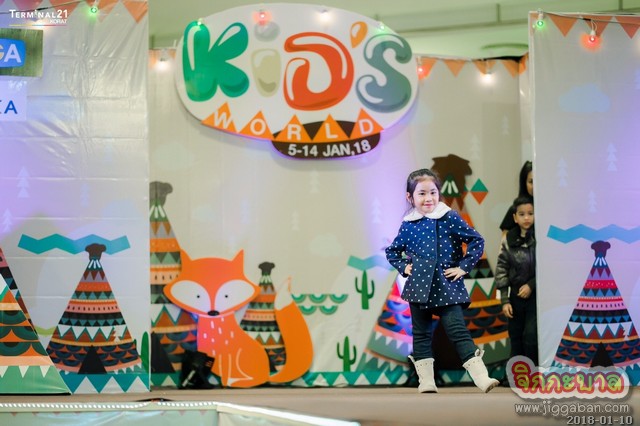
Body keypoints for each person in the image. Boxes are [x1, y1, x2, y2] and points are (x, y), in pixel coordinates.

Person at [385, 168, 499, 394]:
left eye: (433, 192)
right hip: (419, 287)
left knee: (457, 330)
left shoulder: (449, 217)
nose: (428, 198)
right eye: (421, 193)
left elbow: (476, 241)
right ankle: (426, 381)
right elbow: (393, 251)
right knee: (421, 335)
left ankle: (482, 377)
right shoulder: (408, 224)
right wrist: (404, 267)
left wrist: (463, 267)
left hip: (447, 285)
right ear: (410, 197)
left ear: (439, 193)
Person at [495, 196, 538, 365]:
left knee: (531, 336)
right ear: (515, 217)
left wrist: (531, 285)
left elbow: (546, 267)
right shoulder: (508, 240)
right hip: (515, 296)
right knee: (515, 336)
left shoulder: (540, 238)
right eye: (522, 214)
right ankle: (517, 374)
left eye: (530, 213)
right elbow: (501, 269)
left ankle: (534, 373)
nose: (526, 218)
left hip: (535, 297)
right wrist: (505, 300)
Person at [500, 161, 533, 243]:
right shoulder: (515, 209)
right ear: (524, 182)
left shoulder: (550, 210)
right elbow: (503, 244)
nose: (535, 186)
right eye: (531, 182)